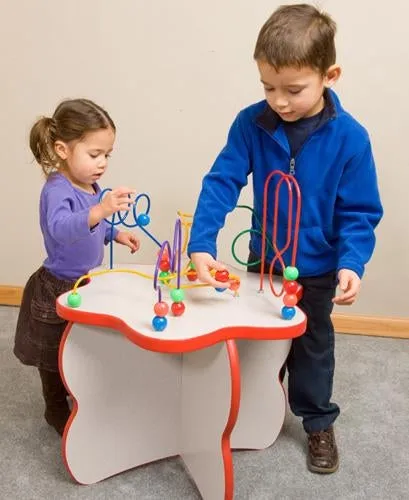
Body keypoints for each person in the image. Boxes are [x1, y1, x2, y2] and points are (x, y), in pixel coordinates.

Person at [187, 4, 383, 473]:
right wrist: (202, 244)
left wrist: (351, 263)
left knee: (313, 347)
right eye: (268, 87)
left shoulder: (351, 139)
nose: (279, 100)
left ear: (329, 75)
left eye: (293, 89)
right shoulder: (251, 124)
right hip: (265, 264)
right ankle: (253, 410)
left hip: (317, 271)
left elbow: (359, 211)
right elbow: (221, 182)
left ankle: (317, 421)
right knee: (257, 346)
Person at [14, 98, 140, 435]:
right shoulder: (56, 189)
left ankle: (78, 390)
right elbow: (63, 229)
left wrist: (116, 233)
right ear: (62, 149)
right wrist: (101, 211)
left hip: (84, 284)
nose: (102, 164)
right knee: (51, 356)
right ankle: (54, 407)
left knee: (78, 345)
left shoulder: (90, 187)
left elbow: (92, 228)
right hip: (57, 285)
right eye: (94, 154)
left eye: (107, 155)